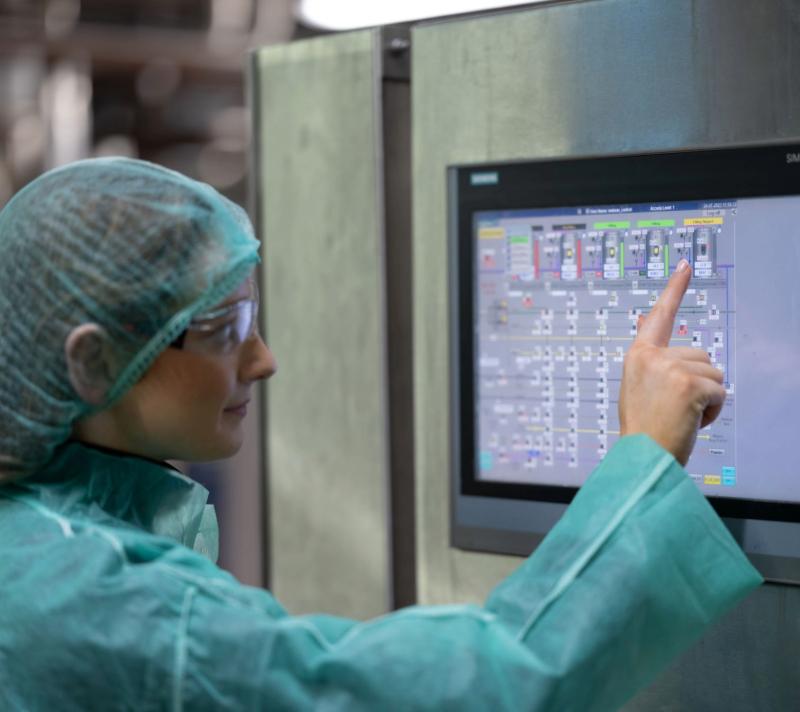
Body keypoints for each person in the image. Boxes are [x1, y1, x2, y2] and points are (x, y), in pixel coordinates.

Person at [0, 158, 760, 711]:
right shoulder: (101, 607)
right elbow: (465, 695)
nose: (264, 360)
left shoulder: (40, 540)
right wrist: (645, 456)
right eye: (226, 327)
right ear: (97, 362)